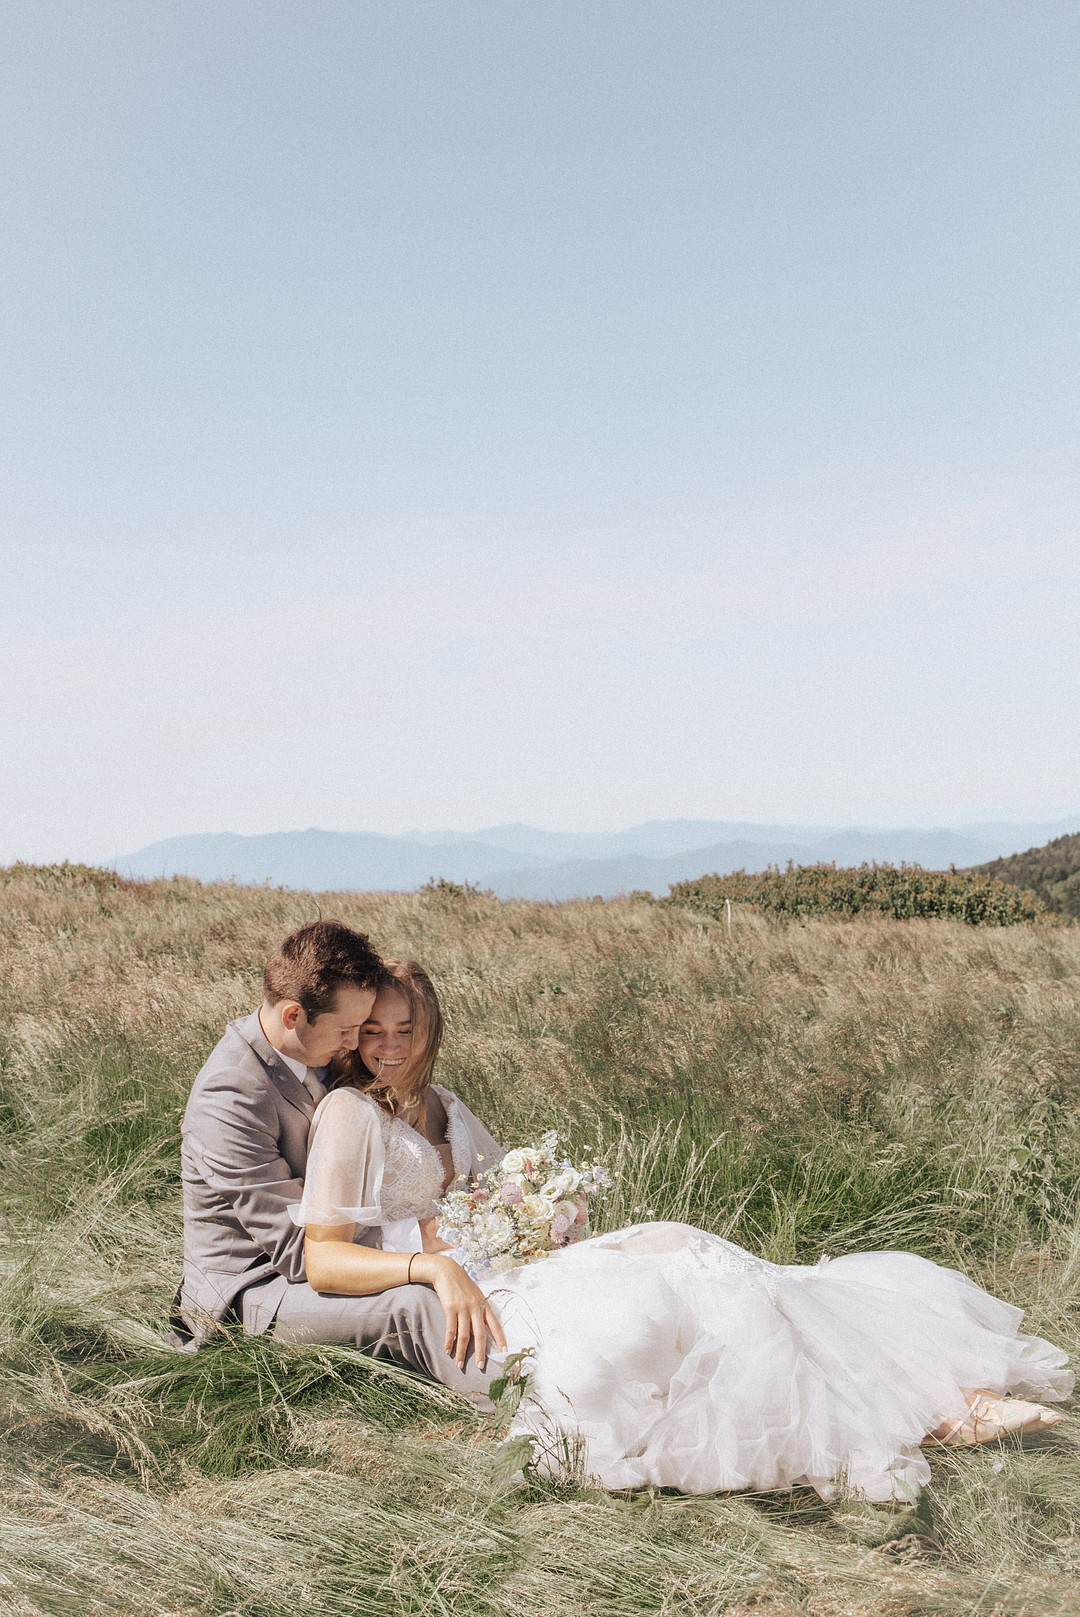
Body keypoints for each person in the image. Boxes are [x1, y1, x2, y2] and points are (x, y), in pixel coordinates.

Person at [293, 958, 1072, 1502]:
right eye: (374, 1031)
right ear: (354, 1034)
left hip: (508, 1263)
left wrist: (545, 1211)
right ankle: (921, 1415)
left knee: (682, 1241)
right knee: (653, 1310)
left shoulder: (446, 1104)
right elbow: (324, 1258)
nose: (390, 1045)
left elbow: (493, 1194)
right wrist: (434, 1267)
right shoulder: (349, 1113)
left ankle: (932, 1389)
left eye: (406, 1028)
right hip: (470, 1292)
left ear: (428, 1028)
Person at [173, 922, 502, 1403]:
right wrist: (430, 1246)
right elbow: (300, 1254)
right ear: (293, 1015)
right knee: (411, 1304)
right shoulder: (229, 1096)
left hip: (331, 1257)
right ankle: (530, 1401)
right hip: (254, 1291)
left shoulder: (314, 1047)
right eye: (349, 1030)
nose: (353, 1045)